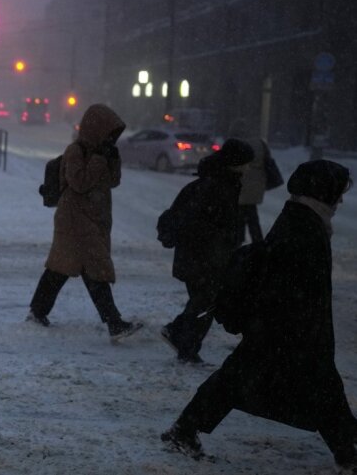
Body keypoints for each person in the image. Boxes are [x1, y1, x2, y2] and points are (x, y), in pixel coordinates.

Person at [162, 160, 355, 471]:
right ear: (323, 192)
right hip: (289, 330)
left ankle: (183, 430)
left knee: (237, 381)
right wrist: (298, 327)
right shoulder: (305, 228)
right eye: (337, 192)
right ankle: (349, 453)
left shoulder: (302, 218)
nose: (340, 199)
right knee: (320, 389)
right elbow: (292, 285)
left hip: (280, 328)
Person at [25, 104, 143, 342]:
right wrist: (99, 159)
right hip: (75, 219)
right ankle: (114, 322)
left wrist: (112, 159)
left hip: (91, 219)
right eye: (107, 133)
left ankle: (38, 311)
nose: (110, 138)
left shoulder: (99, 152)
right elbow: (79, 182)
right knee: (95, 268)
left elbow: (113, 182)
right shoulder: (75, 151)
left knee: (61, 268)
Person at [159, 139, 254, 364]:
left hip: (202, 255)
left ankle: (184, 344)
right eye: (246, 163)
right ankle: (180, 338)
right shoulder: (217, 186)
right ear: (235, 163)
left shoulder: (220, 182)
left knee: (205, 301)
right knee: (207, 301)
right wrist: (219, 249)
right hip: (203, 257)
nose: (248, 168)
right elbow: (205, 225)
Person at [228, 119, 271, 244]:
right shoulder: (259, 143)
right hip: (256, 185)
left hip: (240, 185)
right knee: (252, 215)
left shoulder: (235, 144)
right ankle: (258, 242)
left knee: (239, 215)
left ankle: (238, 240)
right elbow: (267, 162)